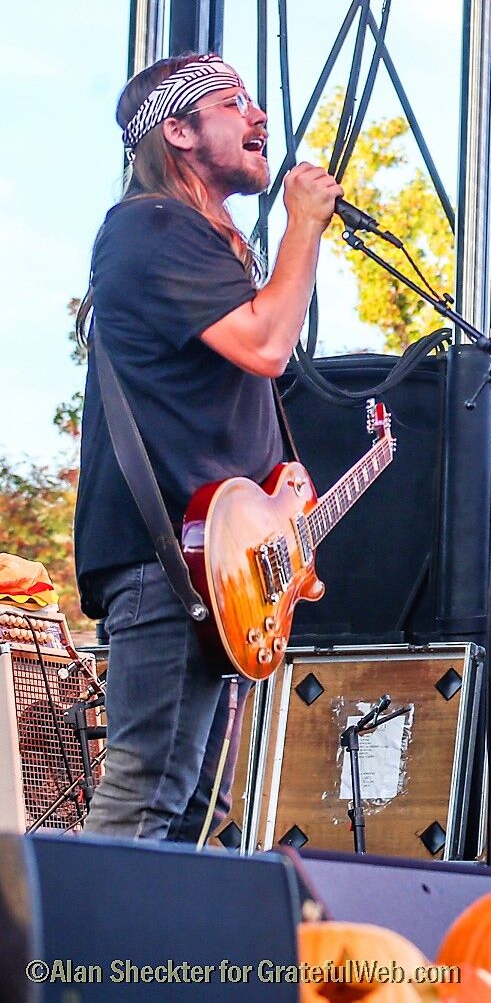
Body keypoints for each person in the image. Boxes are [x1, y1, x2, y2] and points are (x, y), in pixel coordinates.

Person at [74, 54, 341, 840]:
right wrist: (303, 225)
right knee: (147, 793)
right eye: (233, 103)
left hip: (225, 569)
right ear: (180, 132)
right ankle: (81, 928)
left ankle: (160, 929)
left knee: (198, 810)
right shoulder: (149, 226)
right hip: (170, 561)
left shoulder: (197, 239)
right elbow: (266, 344)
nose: (260, 117)